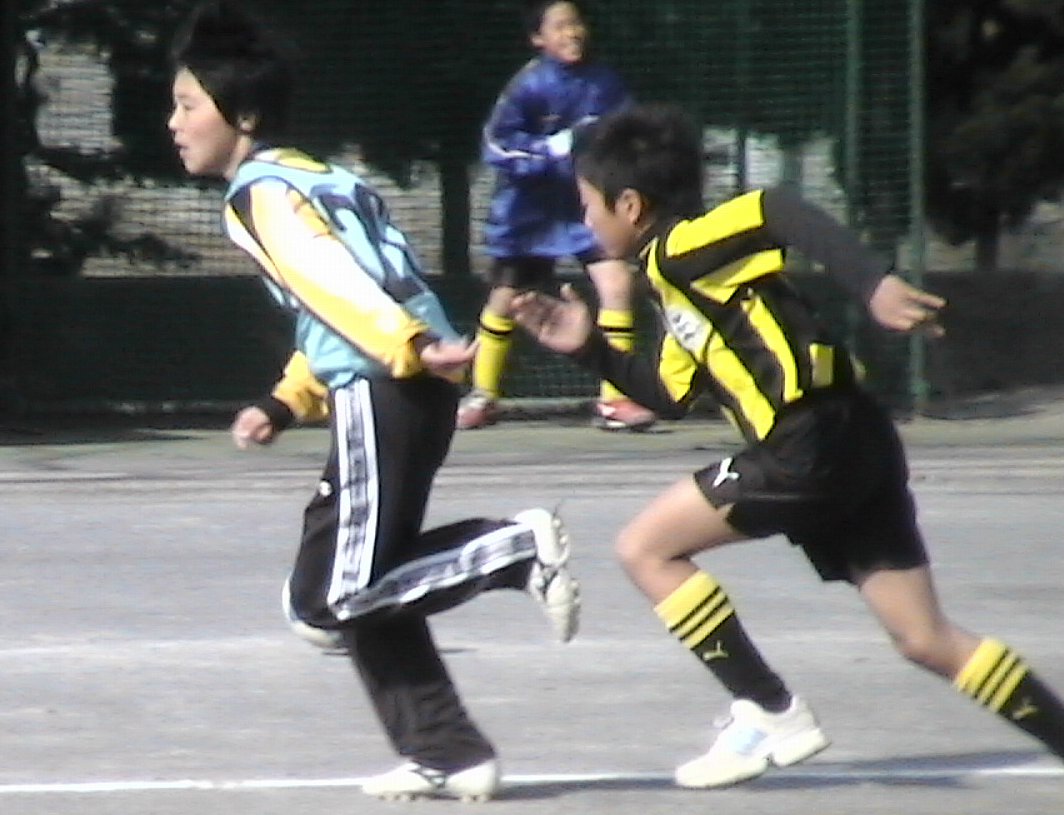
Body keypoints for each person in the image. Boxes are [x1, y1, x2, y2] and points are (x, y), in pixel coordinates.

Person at [511, 102, 1064, 789]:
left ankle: (770, 710)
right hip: (858, 435)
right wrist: (587, 347)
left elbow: (773, 208)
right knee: (925, 639)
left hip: (806, 442)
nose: (586, 221)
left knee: (645, 549)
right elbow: (669, 393)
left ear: (630, 205)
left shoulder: (683, 248)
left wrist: (873, 283)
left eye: (589, 205)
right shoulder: (673, 280)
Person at [167, 1, 580, 802]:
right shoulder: (327, 179)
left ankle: (513, 550)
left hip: (385, 388)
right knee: (335, 591)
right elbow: (336, 305)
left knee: (339, 595)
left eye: (187, 105)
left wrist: (404, 344)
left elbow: (333, 285)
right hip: (407, 385)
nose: (174, 124)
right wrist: (287, 399)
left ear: (243, 115)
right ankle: (447, 750)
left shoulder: (257, 194)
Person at [457, 0, 656, 431]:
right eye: (560, 26)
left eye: (577, 23)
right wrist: (551, 150)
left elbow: (629, 134)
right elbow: (496, 146)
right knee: (507, 299)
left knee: (618, 284)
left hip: (587, 207)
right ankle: (483, 393)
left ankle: (616, 398)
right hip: (530, 213)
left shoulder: (605, 82)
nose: (573, 33)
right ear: (538, 38)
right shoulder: (527, 86)